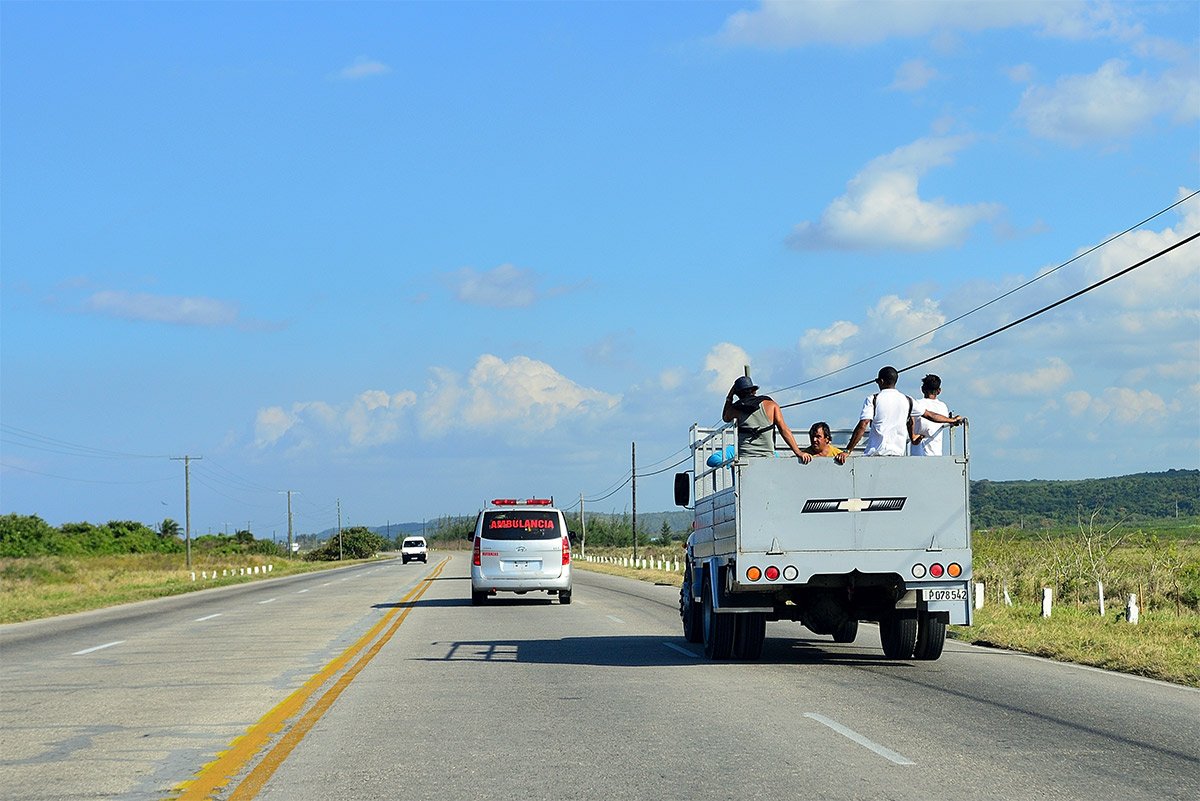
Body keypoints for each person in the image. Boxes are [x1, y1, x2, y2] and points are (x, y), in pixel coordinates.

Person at [835, 366, 961, 464]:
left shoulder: (873, 399)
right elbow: (930, 415)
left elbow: (863, 424)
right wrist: (951, 420)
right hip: (897, 458)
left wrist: (848, 450)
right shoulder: (907, 400)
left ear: (881, 381)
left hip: (875, 455)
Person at [723, 375, 811, 463]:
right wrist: (798, 452)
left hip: (745, 459)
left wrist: (729, 396)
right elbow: (784, 429)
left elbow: (725, 417)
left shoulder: (735, 410)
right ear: (754, 391)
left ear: (737, 393)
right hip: (768, 458)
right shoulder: (771, 405)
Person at [910, 374, 963, 456]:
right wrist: (953, 420)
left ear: (922, 389)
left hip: (918, 453)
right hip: (936, 454)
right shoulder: (943, 406)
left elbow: (910, 421)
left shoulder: (917, 404)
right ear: (939, 391)